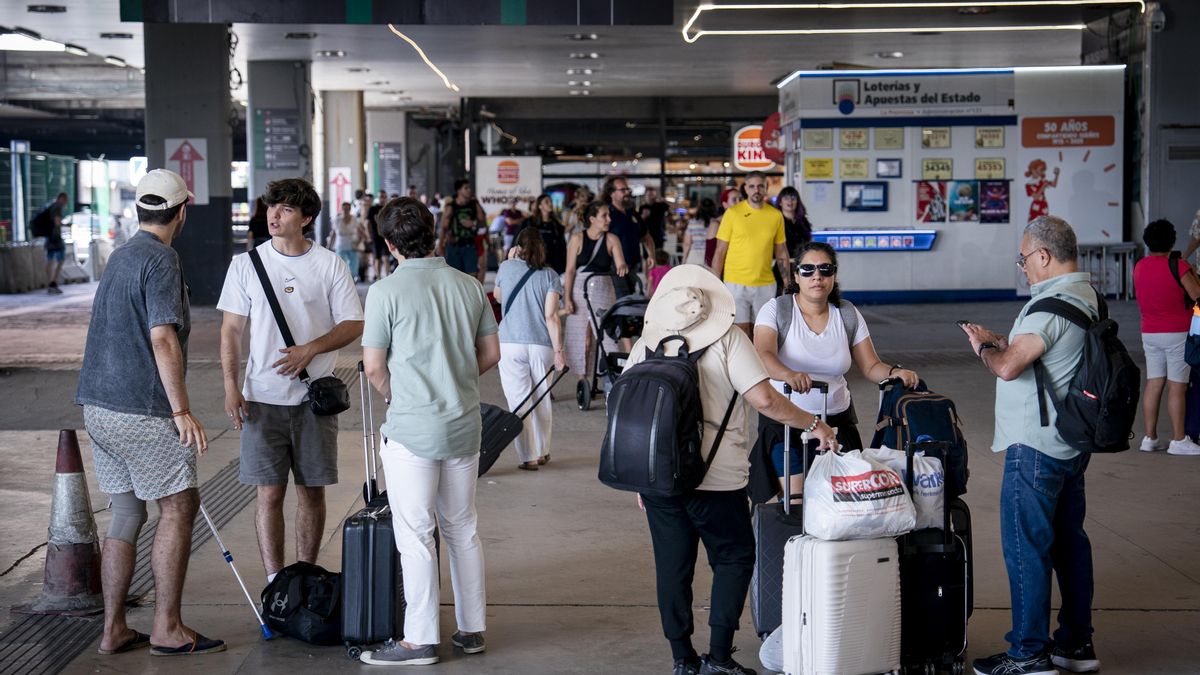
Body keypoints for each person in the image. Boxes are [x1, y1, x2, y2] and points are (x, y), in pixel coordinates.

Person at [625, 264, 837, 675]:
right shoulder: (727, 339)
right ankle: (719, 657)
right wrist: (815, 424)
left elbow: (632, 417)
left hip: (659, 478)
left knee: (672, 567)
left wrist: (642, 472)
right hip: (716, 480)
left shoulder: (645, 345)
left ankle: (683, 660)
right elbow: (766, 401)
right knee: (734, 558)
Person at [75, 169, 225, 656]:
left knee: (125, 511)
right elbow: (162, 337)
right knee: (179, 506)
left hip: (98, 406)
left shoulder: (120, 256)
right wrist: (181, 409)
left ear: (140, 210)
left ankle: (113, 629)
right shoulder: (162, 259)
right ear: (182, 212)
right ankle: (167, 628)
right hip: (140, 410)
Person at [360, 197, 500, 666]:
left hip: (411, 432)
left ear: (389, 243)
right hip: (463, 426)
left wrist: (397, 396)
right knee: (462, 529)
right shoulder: (469, 286)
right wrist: (454, 381)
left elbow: (373, 366)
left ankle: (419, 640)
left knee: (416, 533)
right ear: (434, 232)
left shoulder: (384, 292)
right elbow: (491, 353)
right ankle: (472, 630)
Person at [960, 216, 1102, 675]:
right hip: (1070, 443)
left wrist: (985, 348)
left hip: (1035, 447)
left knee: (1026, 549)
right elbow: (1050, 353)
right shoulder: (1087, 295)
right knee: (1070, 546)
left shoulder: (1047, 307)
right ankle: (1076, 645)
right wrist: (1007, 341)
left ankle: (1027, 653)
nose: (1022, 267)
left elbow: (1008, 368)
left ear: (1043, 256)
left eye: (1023, 258)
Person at [217, 178, 364, 583]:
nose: (274, 215)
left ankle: (305, 577)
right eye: (271, 207)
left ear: (306, 218)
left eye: (285, 209)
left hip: (313, 400)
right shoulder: (245, 265)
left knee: (312, 492)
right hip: (261, 399)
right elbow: (231, 330)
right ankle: (276, 583)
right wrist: (230, 385)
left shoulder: (329, 264)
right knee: (268, 494)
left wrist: (310, 349)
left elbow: (353, 323)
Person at [750, 241, 920, 500]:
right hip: (786, 424)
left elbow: (871, 366)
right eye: (808, 269)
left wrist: (894, 372)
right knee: (796, 502)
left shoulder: (847, 313)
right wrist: (788, 374)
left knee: (842, 501)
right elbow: (763, 354)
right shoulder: (777, 309)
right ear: (796, 275)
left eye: (825, 269)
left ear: (834, 275)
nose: (817, 276)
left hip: (837, 422)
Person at [493, 227, 566, 470]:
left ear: (518, 247)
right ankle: (543, 452)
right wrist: (559, 351)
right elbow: (551, 316)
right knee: (541, 399)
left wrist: (509, 260)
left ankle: (529, 457)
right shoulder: (550, 275)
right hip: (542, 345)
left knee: (519, 401)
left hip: (510, 344)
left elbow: (499, 297)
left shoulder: (506, 268)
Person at [1133, 219, 1200, 455]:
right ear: (1171, 241)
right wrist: (1192, 272)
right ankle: (1178, 440)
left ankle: (1149, 438)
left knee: (1154, 383)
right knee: (1177, 387)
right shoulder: (1178, 266)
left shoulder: (1140, 266)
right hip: (1177, 334)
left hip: (1150, 333)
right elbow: (1196, 294)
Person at [711, 173, 790, 335]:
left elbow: (781, 251)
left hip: (765, 284)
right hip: (735, 283)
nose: (756, 190)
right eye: (752, 186)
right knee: (741, 332)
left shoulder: (775, 215)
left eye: (760, 186)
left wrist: (787, 281)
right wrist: (714, 282)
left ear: (766, 188)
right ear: (746, 189)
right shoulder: (733, 213)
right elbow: (720, 251)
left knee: (762, 331)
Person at [562, 201, 628, 389]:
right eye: (604, 216)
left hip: (603, 290)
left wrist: (622, 266)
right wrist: (567, 297)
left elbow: (620, 262)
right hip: (579, 289)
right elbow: (570, 270)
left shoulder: (612, 239)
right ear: (592, 219)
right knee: (581, 337)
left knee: (607, 336)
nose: (609, 219)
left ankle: (608, 375)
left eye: (608, 215)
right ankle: (582, 379)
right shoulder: (577, 239)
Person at [603, 176, 656, 297]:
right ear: (611, 193)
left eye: (628, 189)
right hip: (614, 267)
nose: (627, 192)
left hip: (633, 266)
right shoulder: (607, 215)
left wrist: (651, 255)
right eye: (623, 190)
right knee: (623, 300)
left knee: (630, 298)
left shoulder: (632, 213)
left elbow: (646, 236)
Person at [440, 179, 488, 280]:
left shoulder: (474, 204)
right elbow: (444, 227)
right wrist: (440, 245)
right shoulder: (451, 206)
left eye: (469, 188)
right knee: (454, 278)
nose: (469, 190)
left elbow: (483, 223)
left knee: (471, 277)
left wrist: (473, 223)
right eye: (466, 188)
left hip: (469, 245)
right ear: (459, 190)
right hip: (454, 246)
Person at [32, 192, 69, 294]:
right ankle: (53, 282)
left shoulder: (50, 205)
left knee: (50, 260)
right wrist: (65, 224)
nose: (66, 202)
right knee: (60, 259)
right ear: (61, 198)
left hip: (49, 237)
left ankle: (50, 283)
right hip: (55, 237)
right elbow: (57, 223)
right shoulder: (57, 207)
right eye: (66, 200)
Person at [524, 193, 568, 274]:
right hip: (534, 263)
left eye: (551, 201)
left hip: (553, 266)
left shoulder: (556, 225)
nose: (550, 203)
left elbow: (562, 247)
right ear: (540, 206)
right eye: (546, 202)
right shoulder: (530, 223)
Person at [327, 201, 367, 282]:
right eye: (344, 209)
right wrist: (328, 247)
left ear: (350, 209)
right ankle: (342, 281)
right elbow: (333, 234)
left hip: (352, 245)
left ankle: (352, 280)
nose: (345, 211)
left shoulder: (354, 219)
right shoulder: (337, 220)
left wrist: (359, 242)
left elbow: (362, 233)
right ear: (342, 209)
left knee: (353, 266)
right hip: (340, 245)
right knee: (341, 265)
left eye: (347, 209)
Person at [776, 186, 811, 260]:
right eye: (786, 198)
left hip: (801, 262)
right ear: (780, 202)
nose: (790, 201)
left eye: (793, 198)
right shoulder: (776, 222)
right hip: (782, 262)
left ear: (797, 201)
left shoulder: (804, 222)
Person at [640, 186, 671, 251]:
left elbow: (672, 207)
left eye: (652, 195)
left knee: (658, 254)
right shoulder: (642, 207)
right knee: (647, 254)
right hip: (646, 235)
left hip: (658, 236)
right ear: (645, 196)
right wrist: (643, 216)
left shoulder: (660, 205)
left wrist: (664, 200)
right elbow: (639, 221)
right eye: (649, 195)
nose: (650, 197)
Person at [368, 190, 389, 280]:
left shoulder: (388, 209)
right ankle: (378, 277)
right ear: (378, 198)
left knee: (386, 257)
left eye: (384, 197)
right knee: (377, 258)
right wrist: (369, 235)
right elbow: (368, 223)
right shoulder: (373, 209)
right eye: (381, 197)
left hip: (386, 237)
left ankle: (388, 277)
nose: (382, 199)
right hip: (376, 237)